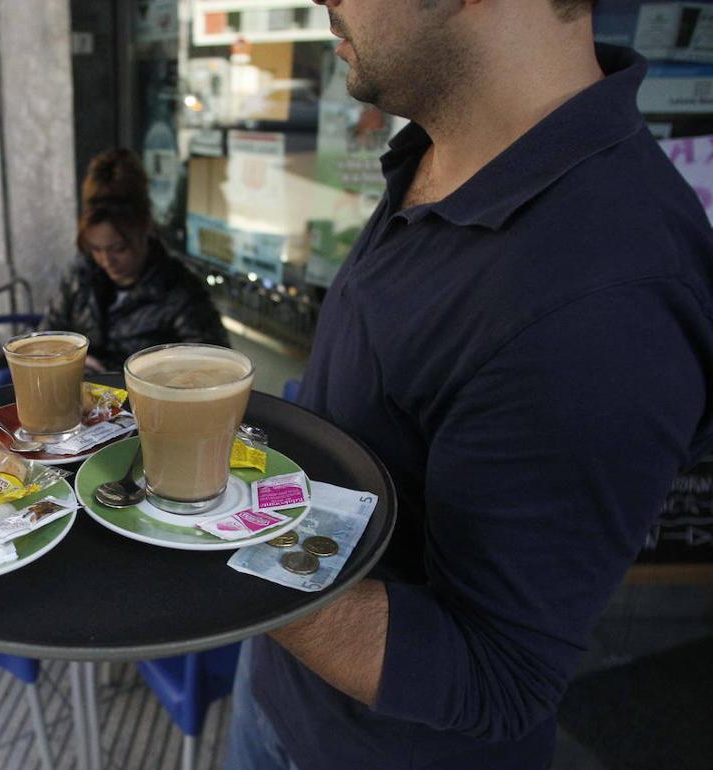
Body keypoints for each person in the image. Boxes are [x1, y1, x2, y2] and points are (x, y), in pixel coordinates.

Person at [225, 1, 713, 769]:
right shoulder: (449, 151)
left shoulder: (602, 296)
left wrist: (202, 550)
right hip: (282, 693)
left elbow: (499, 673)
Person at [42, 148, 227, 372]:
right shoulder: (81, 274)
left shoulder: (180, 292)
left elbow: (213, 368)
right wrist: (72, 359)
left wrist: (113, 374)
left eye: (118, 249)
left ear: (145, 229)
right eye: (96, 249)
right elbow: (48, 337)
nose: (106, 260)